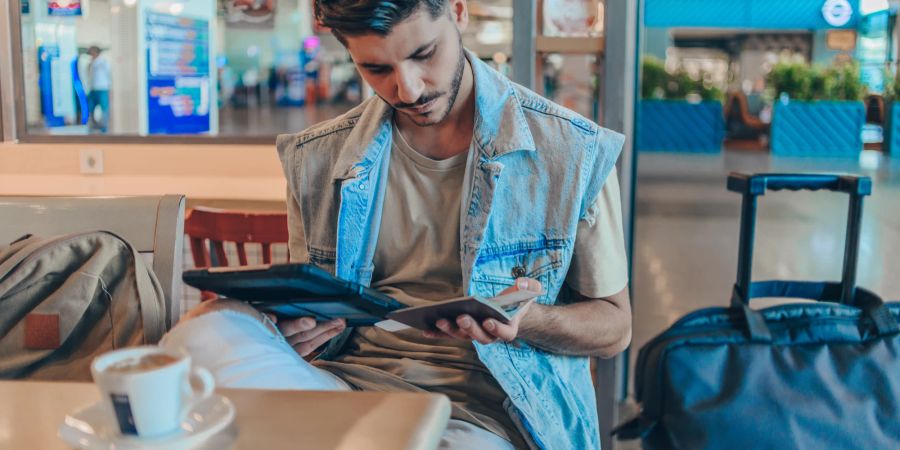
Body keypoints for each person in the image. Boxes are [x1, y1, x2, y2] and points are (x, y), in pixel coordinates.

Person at [165, 1, 631, 448]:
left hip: (483, 411)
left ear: (458, 11)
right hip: (341, 385)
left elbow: (615, 327)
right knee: (204, 329)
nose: (408, 90)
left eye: (423, 54)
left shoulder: (572, 151)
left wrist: (529, 321)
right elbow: (306, 305)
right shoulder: (315, 158)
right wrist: (292, 331)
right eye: (377, 70)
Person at [86, 46, 110, 133]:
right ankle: (92, 126)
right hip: (93, 88)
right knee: (90, 107)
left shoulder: (103, 62)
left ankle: (104, 127)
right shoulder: (91, 63)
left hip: (103, 88)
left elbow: (109, 74)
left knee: (104, 108)